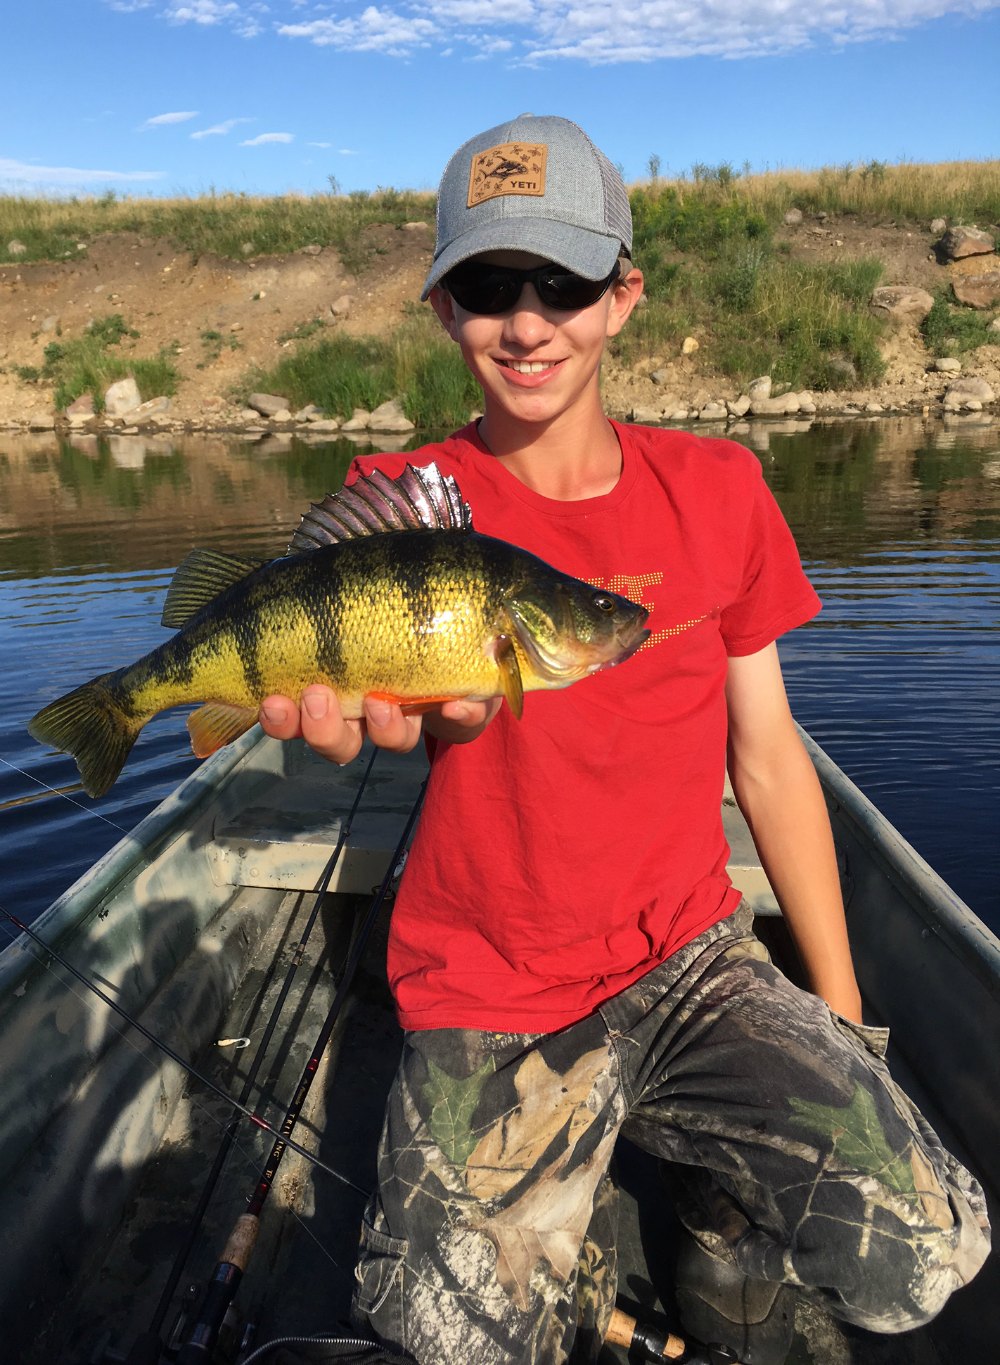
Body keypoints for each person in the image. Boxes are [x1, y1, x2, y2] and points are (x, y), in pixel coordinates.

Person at [258, 114, 990, 1364]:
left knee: (930, 1247)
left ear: (622, 297)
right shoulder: (410, 502)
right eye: (489, 286)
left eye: (564, 282)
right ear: (443, 309)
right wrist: (336, 732)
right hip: (489, 982)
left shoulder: (717, 491)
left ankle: (714, 1197)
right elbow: (341, 706)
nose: (528, 323)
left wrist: (839, 1017)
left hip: (693, 958)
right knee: (453, 1351)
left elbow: (767, 758)